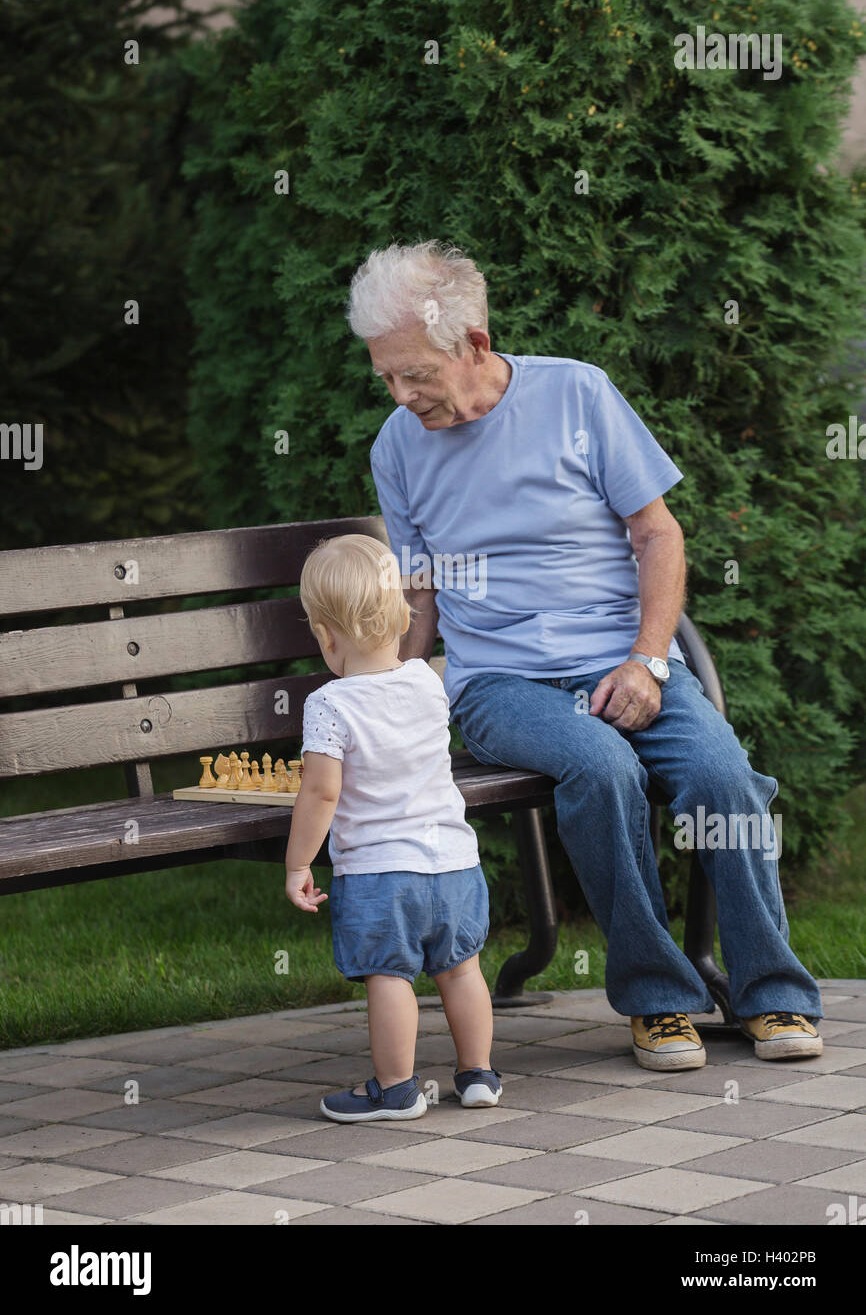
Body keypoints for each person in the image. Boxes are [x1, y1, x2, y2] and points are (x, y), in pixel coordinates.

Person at [349, 238, 824, 1073]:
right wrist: (387, 700)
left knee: (724, 779)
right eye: (385, 375)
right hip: (502, 681)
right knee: (600, 769)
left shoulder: (577, 393)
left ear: (475, 345)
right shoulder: (397, 446)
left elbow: (657, 533)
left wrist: (648, 660)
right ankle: (658, 998)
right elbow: (419, 596)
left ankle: (772, 991)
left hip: (629, 659)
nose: (399, 394)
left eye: (413, 373)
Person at [284, 532, 503, 1121]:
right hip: (455, 863)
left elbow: (321, 791)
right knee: (461, 970)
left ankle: (396, 1088)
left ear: (326, 637)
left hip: (383, 874)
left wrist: (299, 863)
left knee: (389, 976)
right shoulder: (427, 682)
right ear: (402, 619)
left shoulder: (330, 705)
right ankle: (478, 1075)